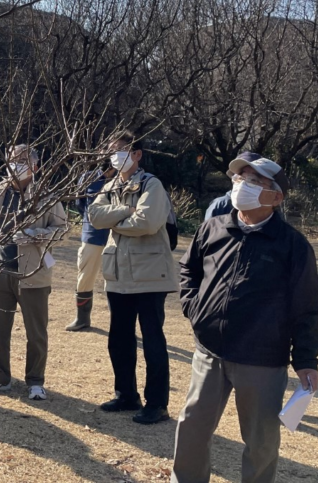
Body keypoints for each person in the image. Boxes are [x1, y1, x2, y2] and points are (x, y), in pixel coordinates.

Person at [172, 156, 318, 483]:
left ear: (277, 197)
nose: (242, 185)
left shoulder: (293, 246)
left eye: (255, 182)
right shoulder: (212, 228)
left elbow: (307, 306)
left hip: (261, 360)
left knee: (261, 442)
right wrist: (194, 308)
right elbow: (188, 270)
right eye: (240, 177)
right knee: (192, 427)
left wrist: (307, 360)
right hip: (209, 352)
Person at [88, 131, 178, 424]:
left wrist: (117, 218)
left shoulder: (152, 184)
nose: (115, 155)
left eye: (120, 150)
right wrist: (127, 210)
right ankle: (125, 394)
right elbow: (94, 217)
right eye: (111, 150)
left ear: (137, 154)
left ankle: (157, 404)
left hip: (150, 274)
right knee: (119, 338)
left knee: (153, 340)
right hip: (118, 274)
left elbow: (148, 222)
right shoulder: (111, 185)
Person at [0, 144, 66, 400]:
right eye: (12, 159)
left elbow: (61, 229)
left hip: (33, 274)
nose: (16, 163)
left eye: (23, 160)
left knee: (36, 332)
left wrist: (36, 234)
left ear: (35, 166)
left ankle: (35, 381)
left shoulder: (46, 195)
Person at [65, 164, 113, 331]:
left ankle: (121, 324)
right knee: (84, 277)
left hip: (118, 237)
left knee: (118, 281)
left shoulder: (126, 179)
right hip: (92, 235)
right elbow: (81, 204)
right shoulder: (87, 178)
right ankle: (82, 318)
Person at [203, 151, 264, 220]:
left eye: (252, 179)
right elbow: (209, 228)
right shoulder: (220, 205)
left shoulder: (266, 206)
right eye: (240, 178)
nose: (244, 183)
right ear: (233, 179)